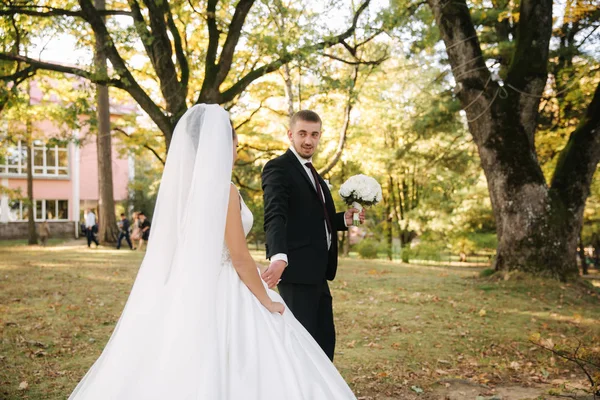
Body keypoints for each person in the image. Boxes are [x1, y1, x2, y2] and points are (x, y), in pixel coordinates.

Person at [68, 104, 356, 399]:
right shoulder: (225, 190)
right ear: (223, 144)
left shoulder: (190, 191)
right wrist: (267, 302)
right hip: (229, 284)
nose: (235, 150)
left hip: (196, 281)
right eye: (234, 143)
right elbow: (240, 258)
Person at [261, 110, 365, 361]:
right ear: (290, 135)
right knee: (302, 346)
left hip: (319, 273)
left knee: (324, 341)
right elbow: (275, 214)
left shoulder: (313, 174)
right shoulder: (278, 168)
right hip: (296, 272)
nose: (309, 140)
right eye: (303, 134)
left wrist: (343, 219)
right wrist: (278, 256)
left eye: (314, 134)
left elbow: (315, 219)